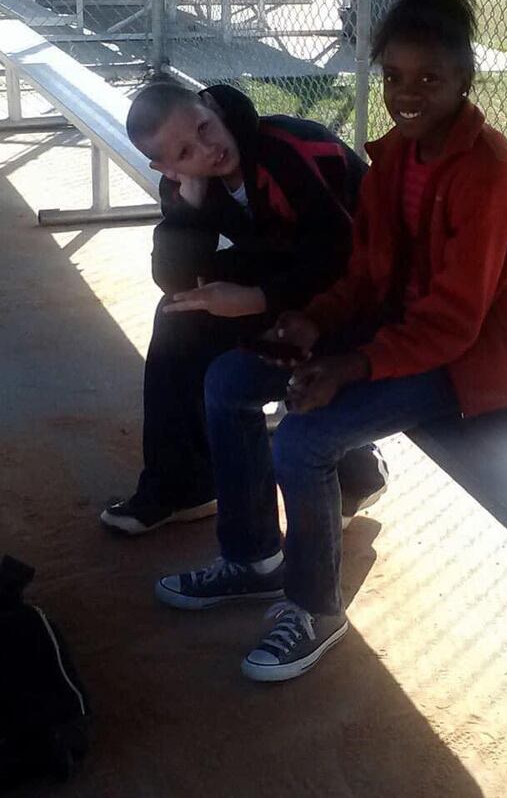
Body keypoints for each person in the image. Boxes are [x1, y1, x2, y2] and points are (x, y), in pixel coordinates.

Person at [156, 0, 507, 681]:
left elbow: (454, 321)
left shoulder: (488, 173)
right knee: (228, 382)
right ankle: (252, 557)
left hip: (470, 359)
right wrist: (315, 322)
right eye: (394, 76)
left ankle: (314, 608)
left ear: (465, 79)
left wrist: (351, 365)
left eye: (430, 78)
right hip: (396, 332)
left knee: (309, 438)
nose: (408, 94)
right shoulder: (396, 157)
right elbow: (368, 275)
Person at [101, 76, 388, 536]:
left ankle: (357, 469)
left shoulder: (286, 149)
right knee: (180, 315)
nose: (206, 148)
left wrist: (256, 300)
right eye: (182, 154)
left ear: (209, 104)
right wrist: (190, 206)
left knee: (272, 335)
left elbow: (344, 257)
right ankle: (185, 483)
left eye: (202, 127)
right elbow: (174, 281)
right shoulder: (189, 180)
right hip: (295, 269)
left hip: (369, 288)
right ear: (164, 164)